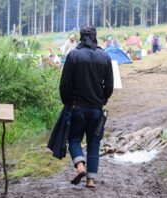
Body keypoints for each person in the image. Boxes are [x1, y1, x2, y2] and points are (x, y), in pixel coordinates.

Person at [59, 26, 114, 188]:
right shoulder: (105, 56)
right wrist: (102, 99)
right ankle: (90, 180)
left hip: (77, 108)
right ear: (95, 37)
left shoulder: (74, 55)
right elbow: (109, 85)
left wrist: (67, 101)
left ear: (81, 37)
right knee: (94, 144)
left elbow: (65, 84)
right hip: (97, 109)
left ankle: (80, 167)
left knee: (74, 139)